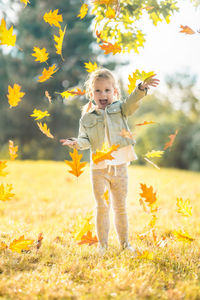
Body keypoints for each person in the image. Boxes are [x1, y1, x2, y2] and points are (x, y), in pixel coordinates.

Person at [60, 68, 159, 256]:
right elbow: (85, 140)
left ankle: (125, 244)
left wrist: (141, 88)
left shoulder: (121, 109)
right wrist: (75, 143)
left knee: (120, 207)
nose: (102, 94)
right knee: (102, 207)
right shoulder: (87, 118)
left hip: (120, 167)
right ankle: (102, 246)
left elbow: (131, 102)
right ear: (91, 93)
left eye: (107, 90)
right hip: (99, 169)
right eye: (98, 90)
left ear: (114, 91)